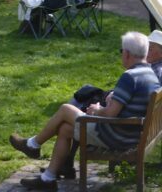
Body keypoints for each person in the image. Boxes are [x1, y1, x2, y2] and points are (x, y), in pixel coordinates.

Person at [9, 31, 160, 191]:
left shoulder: (130, 76)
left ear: (128, 54)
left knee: (66, 109)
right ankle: (48, 178)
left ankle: (33, 144)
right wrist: (111, 100)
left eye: (122, 51)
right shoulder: (149, 74)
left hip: (118, 135)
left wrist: (97, 110)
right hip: (134, 133)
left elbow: (110, 114)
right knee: (65, 129)